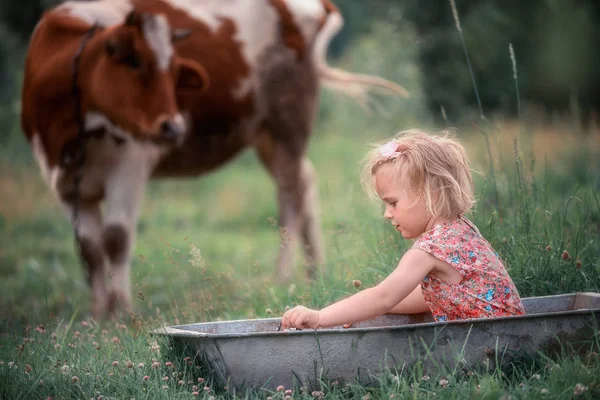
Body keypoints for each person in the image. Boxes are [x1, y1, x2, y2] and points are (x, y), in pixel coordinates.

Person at [281, 129, 525, 329]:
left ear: (432, 194)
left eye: (393, 203)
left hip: (495, 343)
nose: (387, 214)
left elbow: (383, 297)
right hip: (515, 336)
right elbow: (422, 297)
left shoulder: (429, 250)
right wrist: (355, 311)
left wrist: (321, 317)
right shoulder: (461, 231)